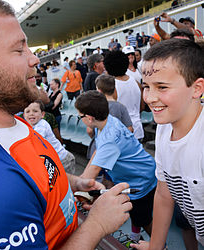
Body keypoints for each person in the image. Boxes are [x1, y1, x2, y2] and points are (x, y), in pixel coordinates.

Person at [0, 1, 133, 249]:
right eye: (18, 50)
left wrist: (73, 183)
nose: (34, 59)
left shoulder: (8, 119)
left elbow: (33, 172)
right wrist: (97, 226)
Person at [131, 39, 204, 250]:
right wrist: (156, 246)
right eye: (146, 87)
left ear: (197, 88)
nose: (150, 98)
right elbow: (164, 195)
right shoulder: (164, 129)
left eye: (162, 87)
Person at [75, 90, 157, 242]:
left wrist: (72, 190)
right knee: (137, 213)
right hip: (143, 171)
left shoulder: (109, 139)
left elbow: (89, 176)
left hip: (139, 179)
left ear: (90, 118)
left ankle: (160, 244)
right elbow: (98, 153)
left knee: (144, 218)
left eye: (80, 117)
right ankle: (135, 235)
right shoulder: (107, 121)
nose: (81, 120)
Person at [24, 100, 75, 174]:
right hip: (55, 160)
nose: (31, 114)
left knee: (66, 183)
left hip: (63, 159)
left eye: (35, 111)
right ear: (24, 115)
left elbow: (34, 142)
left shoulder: (42, 125)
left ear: (42, 114)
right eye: (27, 112)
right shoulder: (32, 126)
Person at [104, 50, 144, 141]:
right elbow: (141, 107)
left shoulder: (112, 87)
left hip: (122, 132)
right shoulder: (136, 83)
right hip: (138, 127)